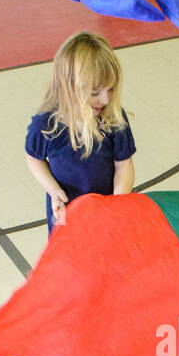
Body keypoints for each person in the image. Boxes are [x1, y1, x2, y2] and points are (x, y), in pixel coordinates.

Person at [25, 31, 136, 232]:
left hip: (106, 213)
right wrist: (53, 190)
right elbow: (34, 159)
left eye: (111, 90)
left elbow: (123, 165)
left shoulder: (113, 119)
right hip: (68, 216)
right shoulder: (46, 124)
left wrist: (118, 202)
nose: (105, 100)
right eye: (94, 93)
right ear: (68, 87)